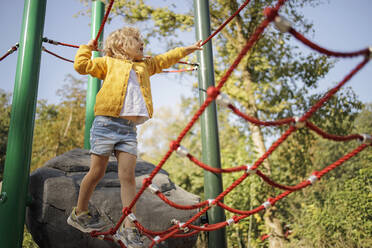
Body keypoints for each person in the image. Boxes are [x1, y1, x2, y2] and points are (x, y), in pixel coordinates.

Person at [67, 26, 202, 248]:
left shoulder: (145, 66)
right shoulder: (108, 63)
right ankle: (80, 212)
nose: (142, 42)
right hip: (106, 124)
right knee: (97, 172)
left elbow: (166, 58)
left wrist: (187, 49)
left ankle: (129, 229)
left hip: (128, 130)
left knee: (128, 178)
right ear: (121, 45)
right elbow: (81, 66)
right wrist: (86, 48)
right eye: (137, 39)